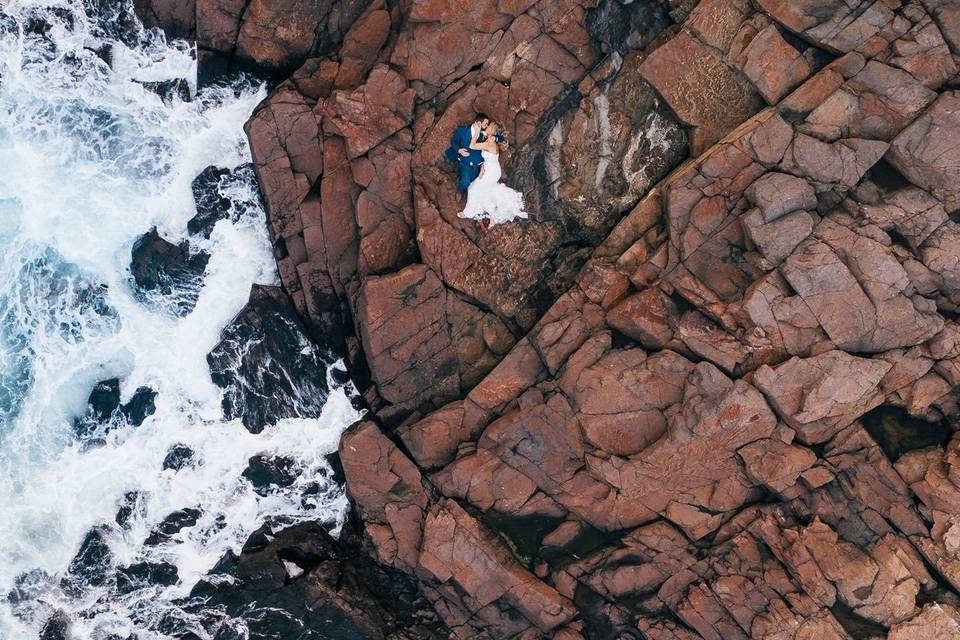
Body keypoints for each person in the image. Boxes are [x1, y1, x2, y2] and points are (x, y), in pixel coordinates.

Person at [458, 121, 528, 226]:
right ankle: (491, 213)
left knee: (473, 188)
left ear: (492, 130)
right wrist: (482, 167)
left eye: (489, 125)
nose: (488, 125)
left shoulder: (490, 142)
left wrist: (476, 132)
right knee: (486, 190)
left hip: (491, 171)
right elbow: (487, 158)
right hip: (491, 169)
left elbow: (472, 146)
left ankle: (467, 213)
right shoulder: (491, 140)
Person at [446, 113, 491, 193]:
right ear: (478, 123)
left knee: (478, 187)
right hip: (465, 164)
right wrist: (459, 150)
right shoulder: (462, 131)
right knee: (465, 181)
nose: (487, 126)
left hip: (478, 167)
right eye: (486, 124)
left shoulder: (484, 135)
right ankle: (458, 193)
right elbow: (453, 142)